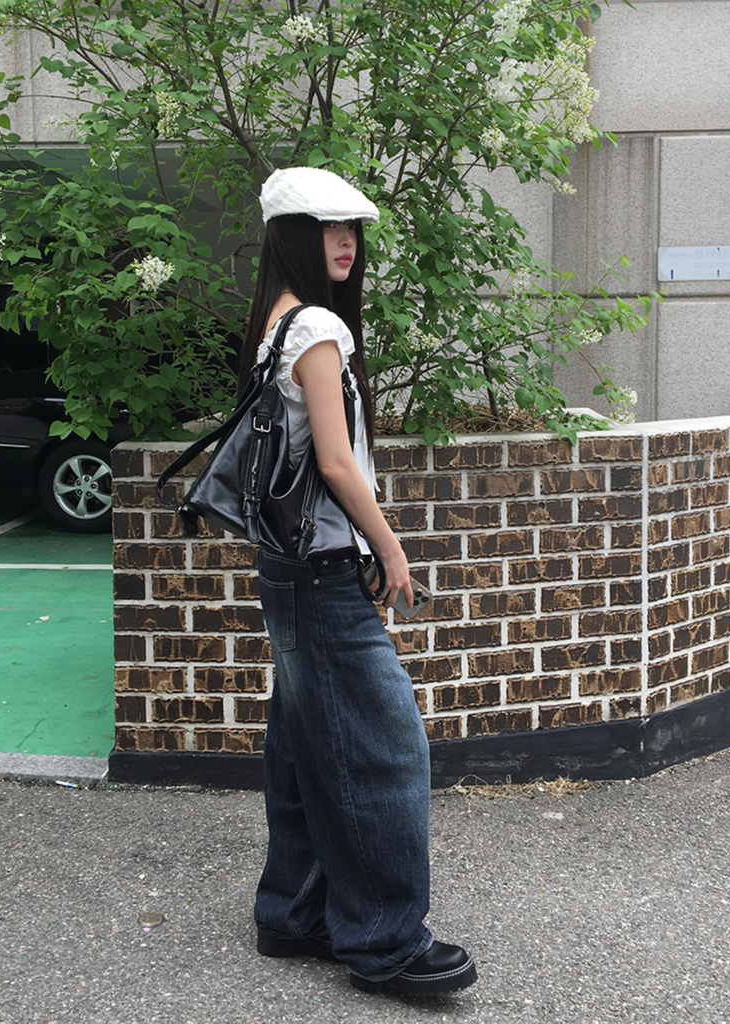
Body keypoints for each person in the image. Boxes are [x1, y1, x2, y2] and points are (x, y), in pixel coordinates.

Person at [237, 165, 477, 997]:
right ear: (292, 236)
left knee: (306, 745)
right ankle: (384, 942)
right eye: (326, 228)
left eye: (352, 229)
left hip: (289, 568)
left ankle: (294, 912)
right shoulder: (316, 329)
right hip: (325, 574)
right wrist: (392, 550)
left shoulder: (274, 322)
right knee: (385, 751)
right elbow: (338, 464)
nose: (344, 242)